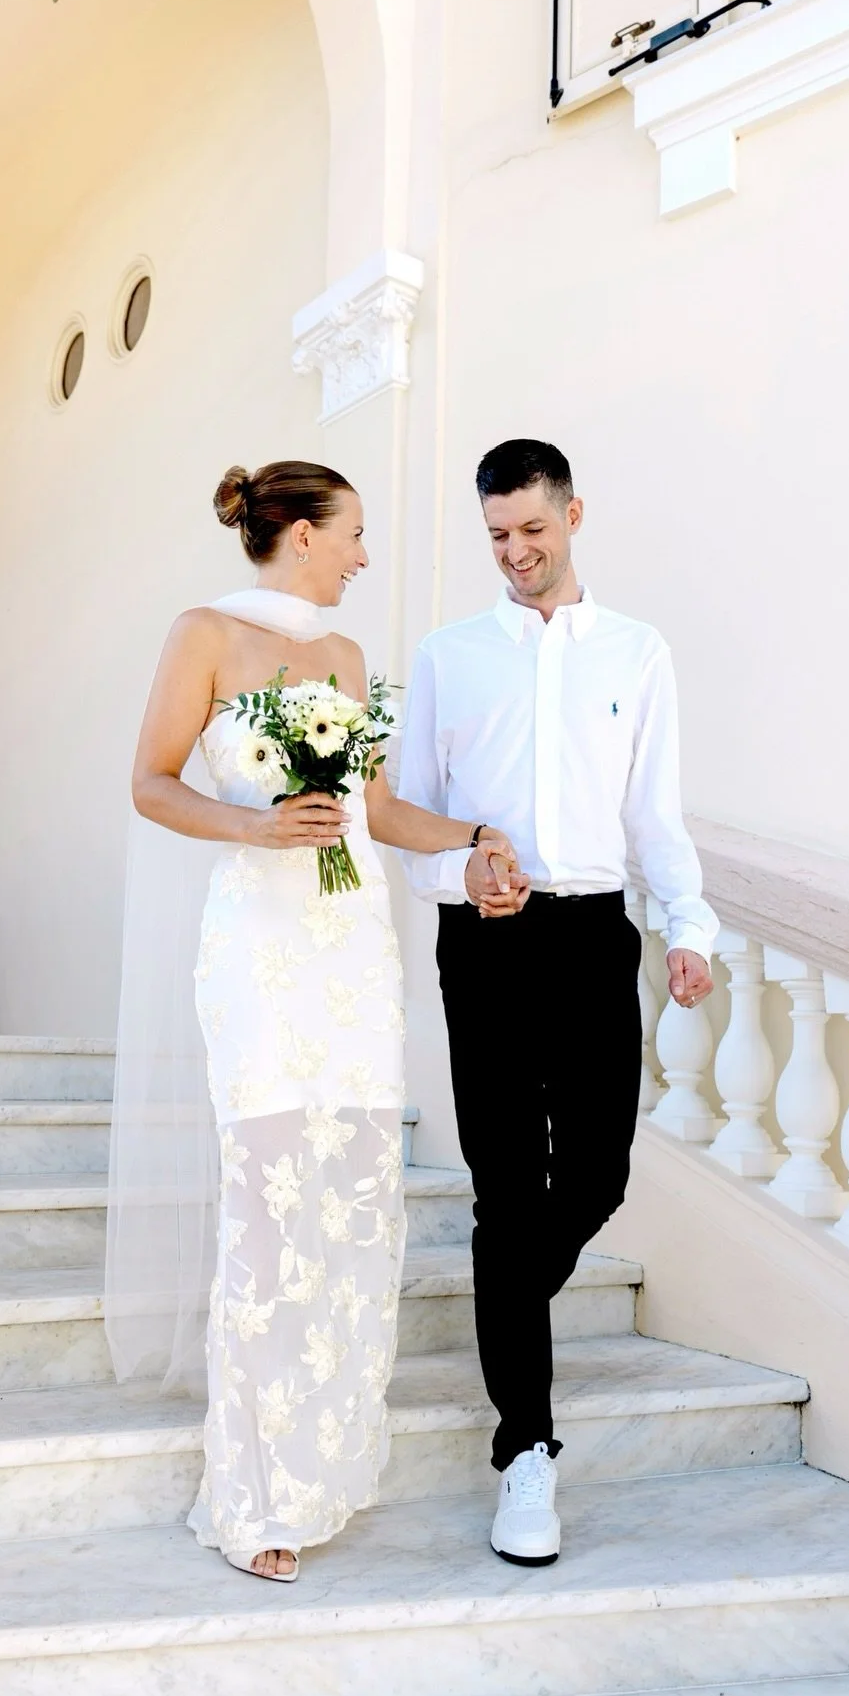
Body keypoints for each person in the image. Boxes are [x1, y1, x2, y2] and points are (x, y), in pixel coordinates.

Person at [126, 460, 516, 1582]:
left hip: (349, 952)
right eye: (351, 534)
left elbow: (378, 810)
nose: (360, 555)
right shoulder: (203, 633)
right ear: (301, 533)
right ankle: (253, 1496)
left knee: (348, 1199)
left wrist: (477, 834)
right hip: (259, 945)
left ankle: (327, 1463)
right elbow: (151, 783)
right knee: (268, 1200)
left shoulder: (347, 660)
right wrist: (255, 830)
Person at [398, 438, 717, 1567]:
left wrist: (688, 926)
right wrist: (459, 874)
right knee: (503, 1188)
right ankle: (524, 1452)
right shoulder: (447, 655)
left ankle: (504, 1303)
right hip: (481, 940)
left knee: (595, 1174)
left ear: (574, 514)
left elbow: (655, 811)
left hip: (591, 935)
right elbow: (408, 818)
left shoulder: (639, 650)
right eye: (497, 538)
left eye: (533, 531)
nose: (516, 555)